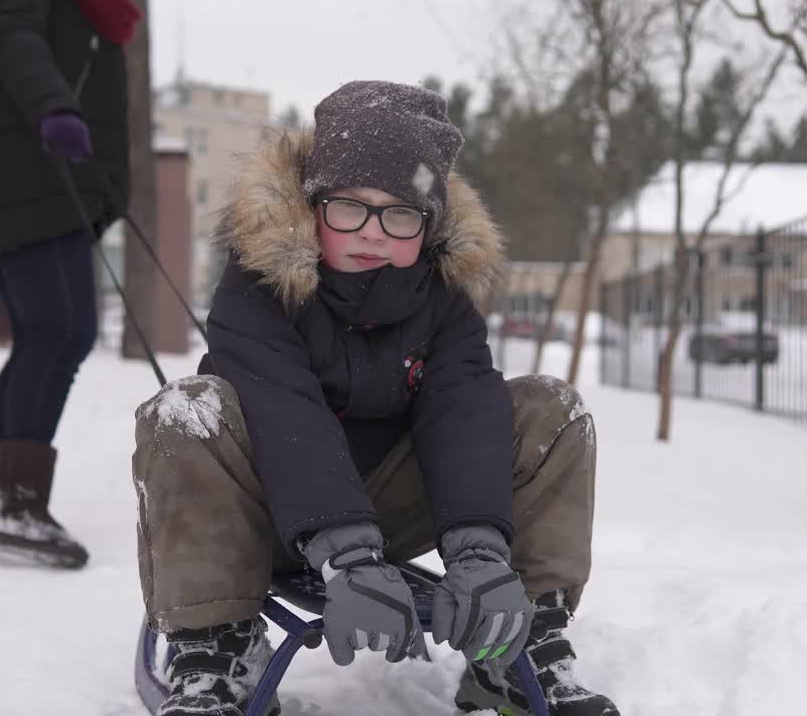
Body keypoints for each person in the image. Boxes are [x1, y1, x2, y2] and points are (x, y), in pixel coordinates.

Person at [131, 81, 620, 716]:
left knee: (550, 409)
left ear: (429, 224)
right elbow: (283, 408)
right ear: (312, 206)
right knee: (186, 410)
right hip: (268, 511)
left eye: (399, 213)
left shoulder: (445, 299)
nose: (372, 232)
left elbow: (463, 412)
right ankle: (216, 648)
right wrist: (345, 551)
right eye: (349, 207)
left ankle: (521, 642)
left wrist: (478, 549)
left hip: (395, 505)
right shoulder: (257, 283)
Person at [0, 0, 139, 569]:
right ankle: (12, 503)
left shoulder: (101, 11)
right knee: (58, 329)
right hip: (18, 177)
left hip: (53, 182)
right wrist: (55, 107)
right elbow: (12, 33)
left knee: (48, 334)